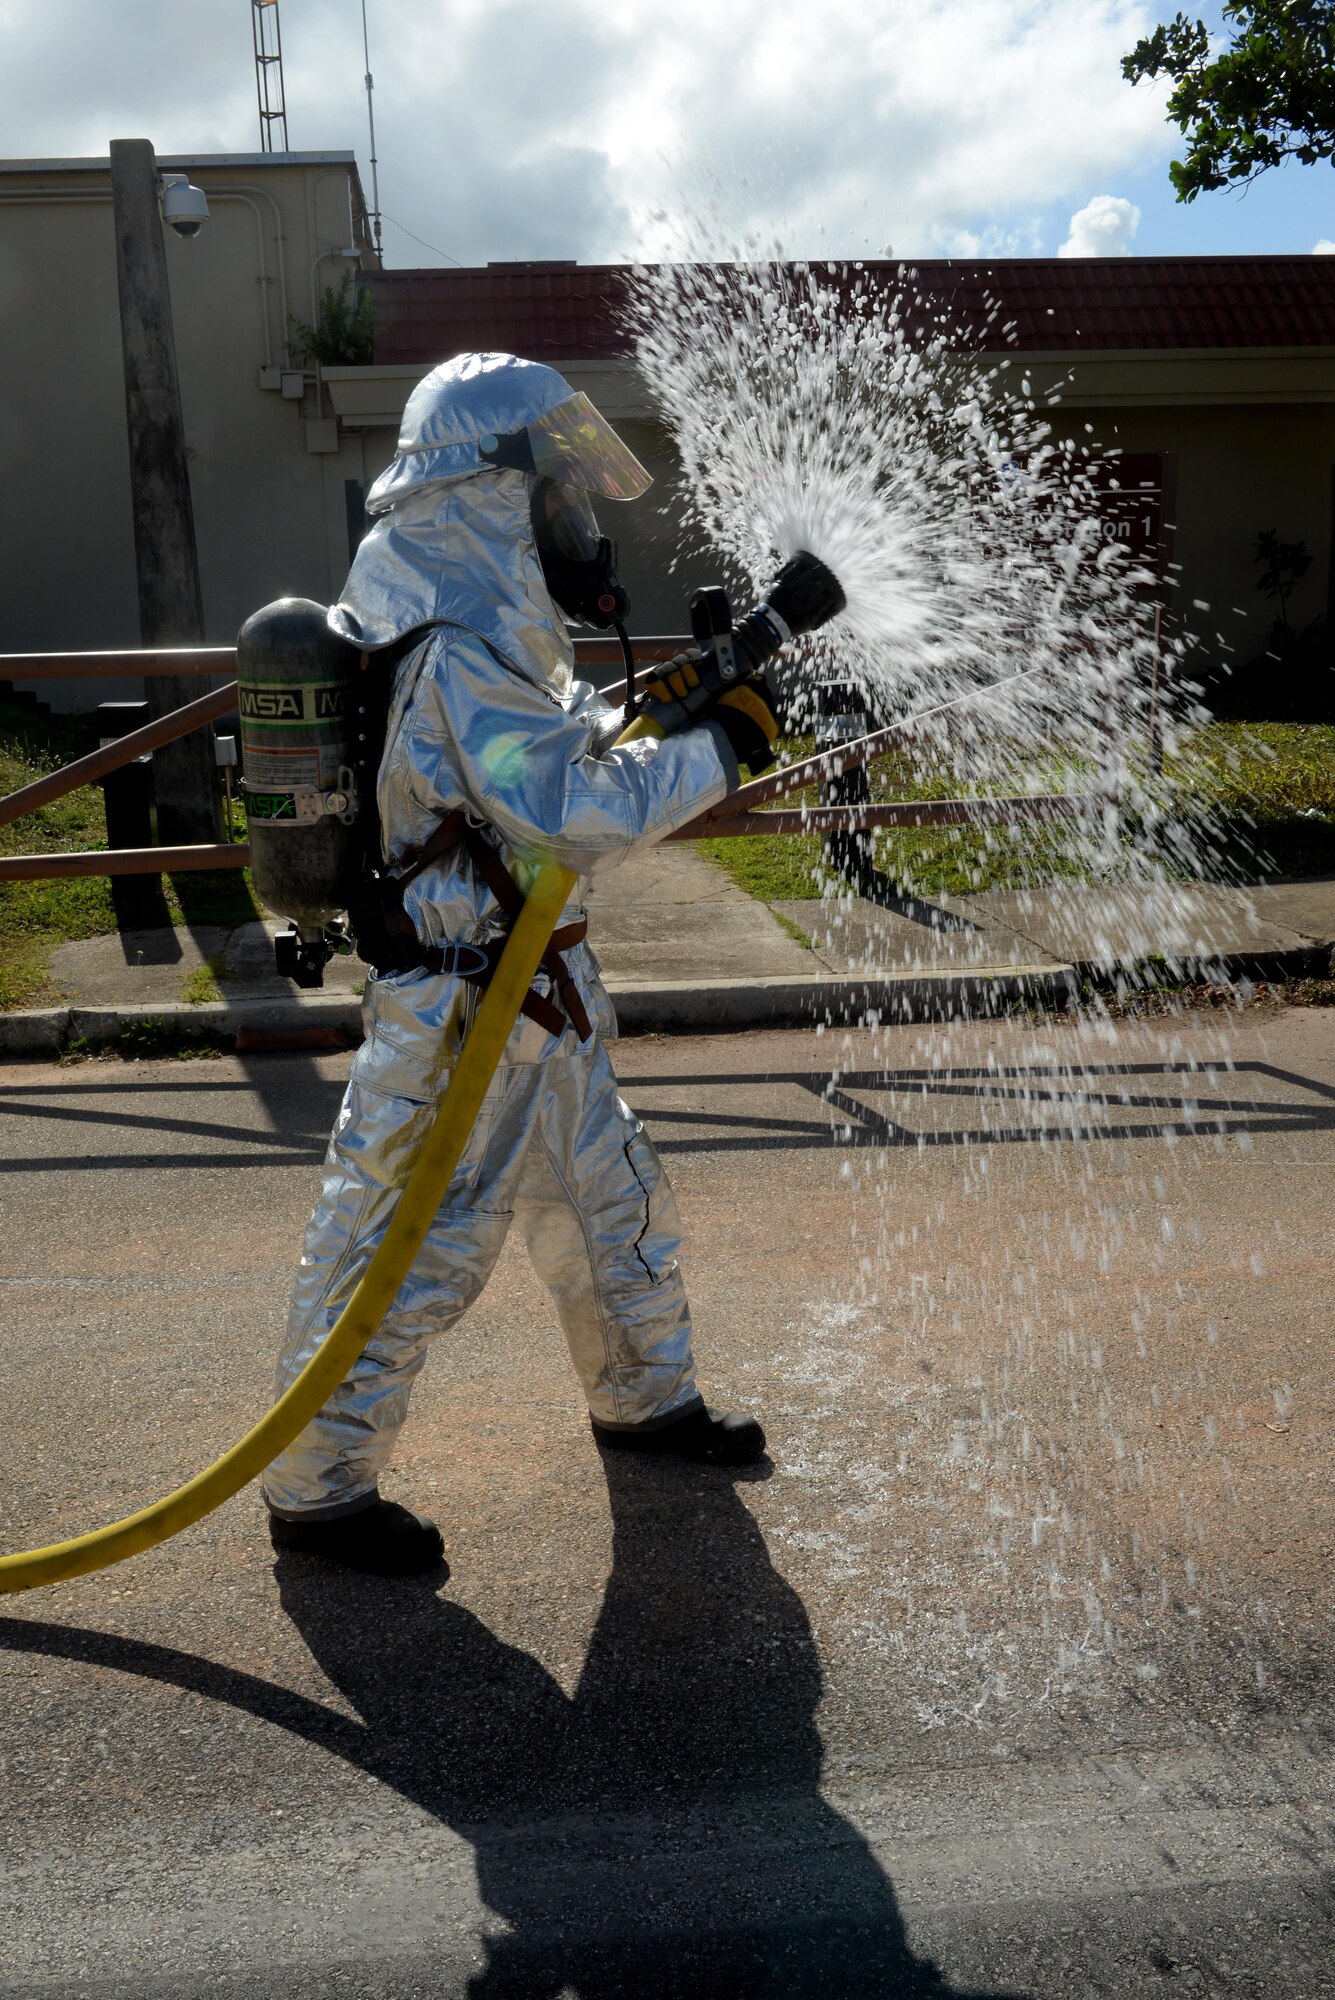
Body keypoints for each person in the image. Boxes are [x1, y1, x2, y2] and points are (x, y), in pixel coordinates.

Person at [262, 352, 783, 1576]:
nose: (576, 521)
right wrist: (724, 751)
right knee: (410, 1241)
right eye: (556, 493)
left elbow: (539, 754)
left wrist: (670, 707)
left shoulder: (458, 609)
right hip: (463, 1006)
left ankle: (646, 1400)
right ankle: (314, 1483)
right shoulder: (454, 633)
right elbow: (564, 812)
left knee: (611, 1203)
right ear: (492, 489)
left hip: (530, 985)